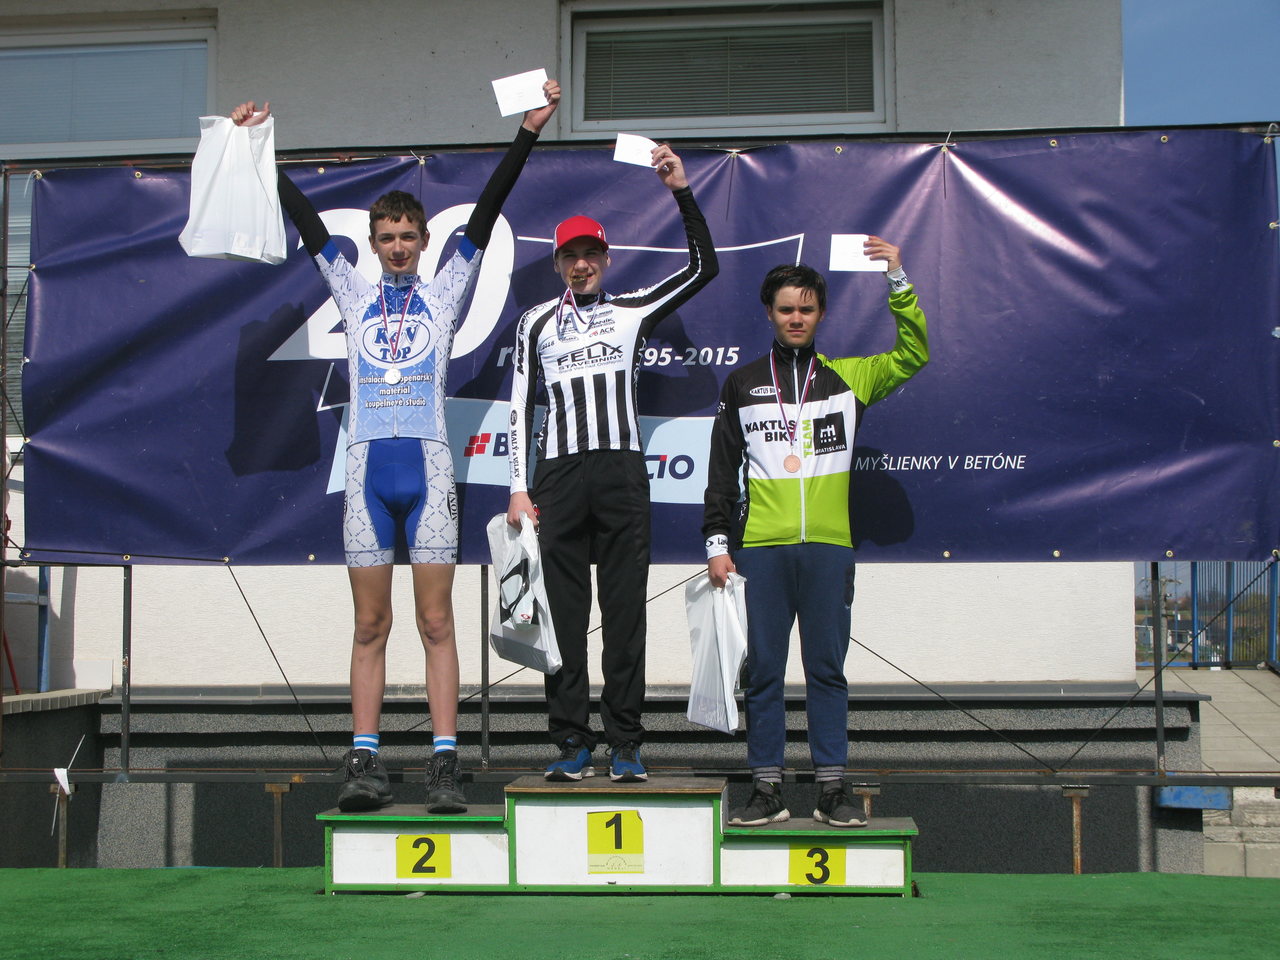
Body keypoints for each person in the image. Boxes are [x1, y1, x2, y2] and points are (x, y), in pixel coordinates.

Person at [230, 81, 560, 813]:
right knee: (370, 624)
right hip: (368, 477)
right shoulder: (352, 293)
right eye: (388, 238)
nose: (400, 247)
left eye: (410, 237)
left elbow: (488, 210)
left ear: (424, 242)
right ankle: (364, 760)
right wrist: (257, 148)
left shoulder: (445, 293)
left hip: (430, 472)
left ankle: (444, 765)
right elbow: (306, 223)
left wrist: (530, 131)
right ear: (374, 244)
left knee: (437, 622)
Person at [507, 144, 718, 783]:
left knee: (625, 613)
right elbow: (518, 405)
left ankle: (625, 741)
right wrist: (517, 487)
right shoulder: (534, 323)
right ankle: (573, 741)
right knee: (563, 616)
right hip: (558, 477)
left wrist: (680, 191)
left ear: (606, 259)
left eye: (590, 254)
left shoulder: (632, 310)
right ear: (557, 263)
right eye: (570, 256)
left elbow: (704, 267)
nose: (581, 264)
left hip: (622, 474)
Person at [701, 243, 928, 826]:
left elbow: (914, 353)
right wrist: (718, 544)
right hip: (763, 550)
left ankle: (831, 789)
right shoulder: (742, 383)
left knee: (827, 671)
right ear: (769, 314)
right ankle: (766, 788)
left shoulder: (849, 378)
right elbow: (722, 470)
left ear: (821, 313)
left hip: (828, 549)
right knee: (764, 673)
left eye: (806, 309)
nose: (795, 318)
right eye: (785, 309)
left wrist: (897, 278)